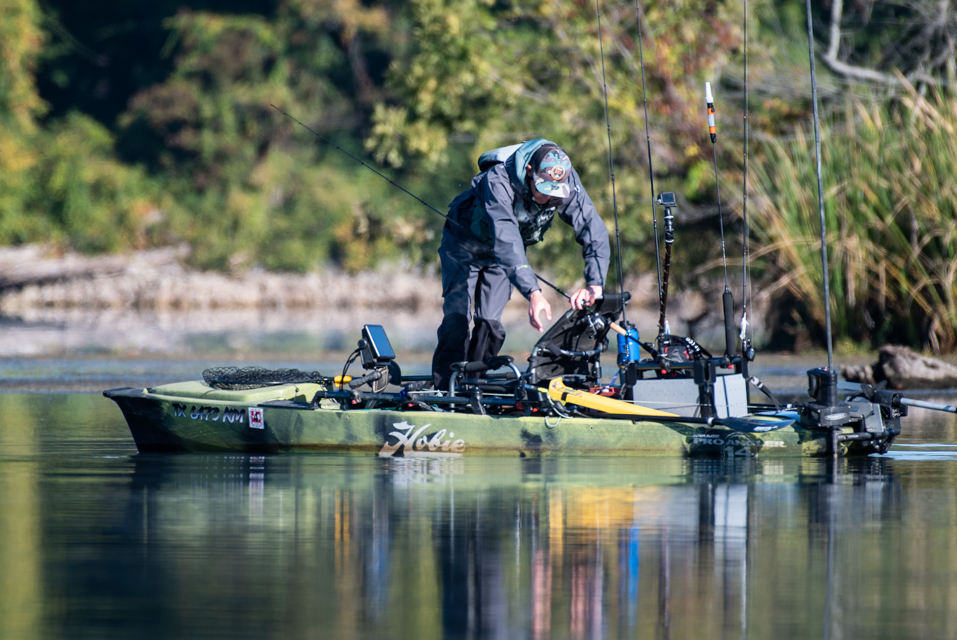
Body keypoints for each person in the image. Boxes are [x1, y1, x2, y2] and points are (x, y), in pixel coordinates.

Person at [431, 138, 611, 390]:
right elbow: (506, 239)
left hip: (502, 257)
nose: (547, 198)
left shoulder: (566, 179)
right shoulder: (498, 179)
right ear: (529, 171)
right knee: (457, 320)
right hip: (463, 244)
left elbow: (592, 228)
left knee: (490, 324)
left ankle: (474, 387)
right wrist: (533, 292)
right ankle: (444, 390)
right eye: (543, 189)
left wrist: (595, 284)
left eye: (554, 192)